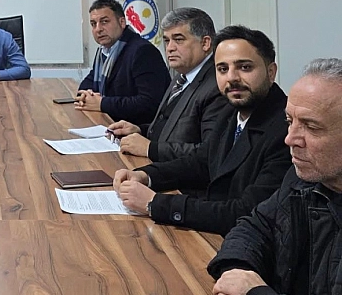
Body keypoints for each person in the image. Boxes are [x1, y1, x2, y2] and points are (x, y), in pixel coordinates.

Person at [208, 58, 342, 295]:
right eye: (290, 122)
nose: (290, 139)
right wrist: (237, 272)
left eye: (311, 127)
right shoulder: (303, 177)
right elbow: (254, 225)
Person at [113, 25, 291, 235]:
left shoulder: (287, 131)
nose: (232, 77)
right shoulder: (231, 111)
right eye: (222, 69)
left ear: (271, 72)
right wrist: (146, 175)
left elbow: (246, 212)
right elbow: (200, 162)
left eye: (244, 67)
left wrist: (154, 203)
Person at [108, 7, 229, 162]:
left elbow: (209, 153)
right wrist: (139, 130)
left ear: (205, 43)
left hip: (180, 176)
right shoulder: (182, 75)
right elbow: (172, 130)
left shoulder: (217, 86)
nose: (170, 48)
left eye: (178, 40)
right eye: (167, 40)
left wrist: (150, 148)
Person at [76, 0, 170, 125]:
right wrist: (85, 96)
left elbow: (148, 103)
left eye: (104, 22)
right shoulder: (104, 51)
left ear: (122, 22)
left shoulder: (142, 51)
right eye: (93, 24)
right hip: (112, 124)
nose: (98, 29)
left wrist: (102, 103)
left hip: (139, 129)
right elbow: (88, 83)